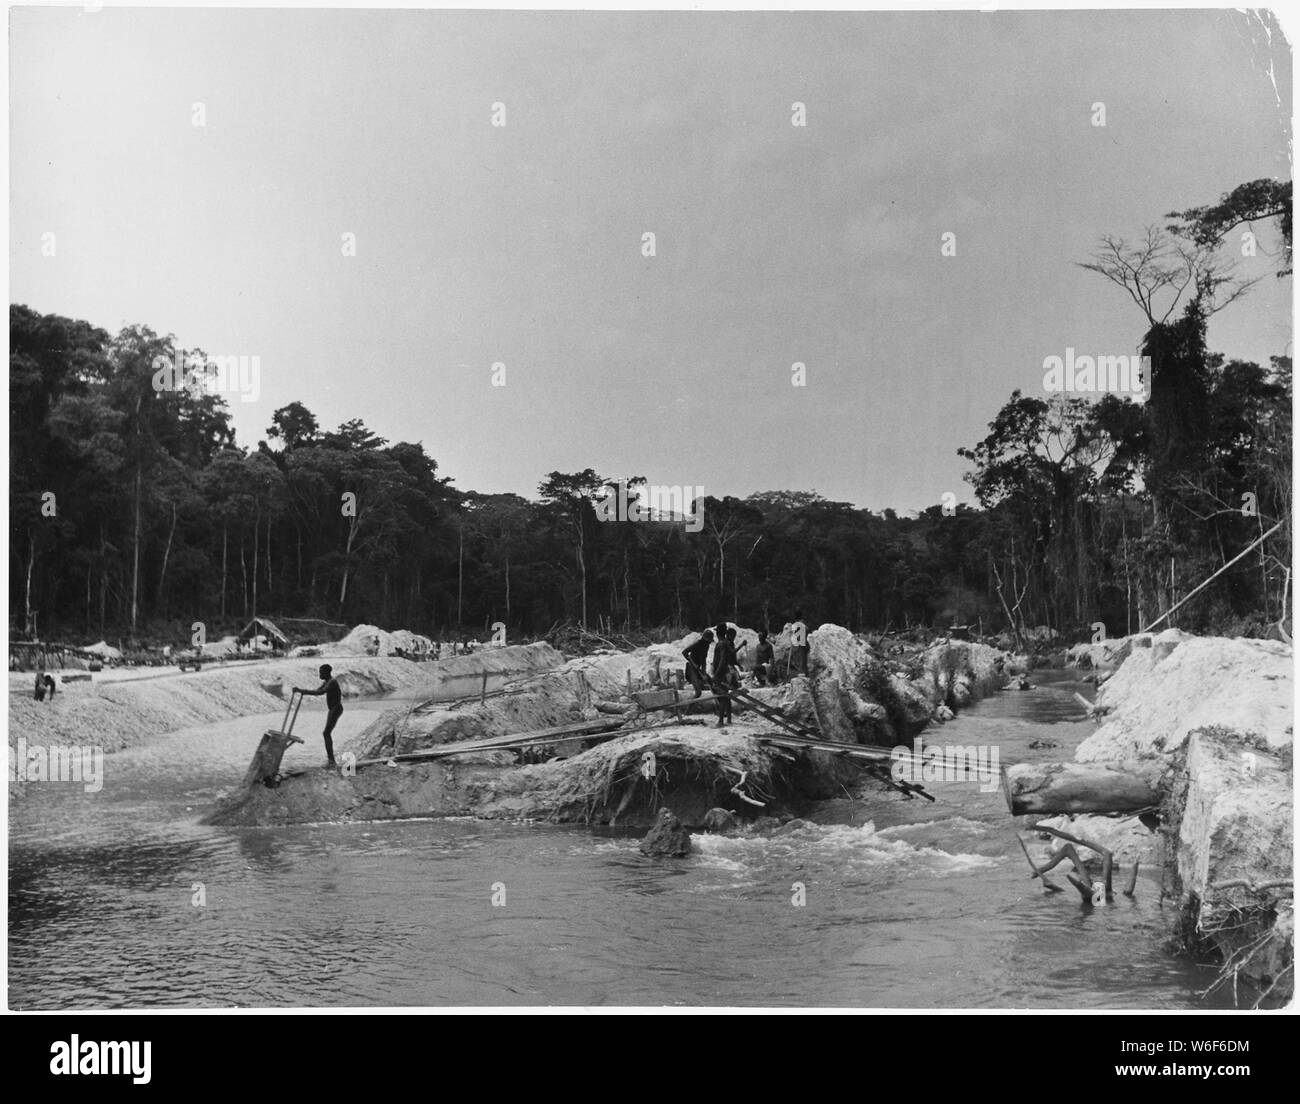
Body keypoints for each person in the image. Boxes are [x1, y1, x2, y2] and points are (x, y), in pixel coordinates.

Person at [294, 664, 343, 767]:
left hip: (336, 708)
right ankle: (331, 760)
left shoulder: (332, 682)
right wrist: (303, 692)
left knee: (326, 733)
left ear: (327, 672)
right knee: (326, 733)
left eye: (321, 672)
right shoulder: (326, 682)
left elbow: (320, 693)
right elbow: (317, 690)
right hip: (333, 709)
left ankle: (331, 761)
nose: (319, 674)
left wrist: (301, 691)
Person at [682, 629, 714, 698]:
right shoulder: (697, 644)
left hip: (698, 669)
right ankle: (689, 708)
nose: (709, 643)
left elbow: (703, 661)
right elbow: (684, 652)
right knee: (698, 692)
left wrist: (704, 673)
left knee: (712, 684)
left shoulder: (706, 646)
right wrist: (693, 664)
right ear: (704, 639)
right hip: (691, 669)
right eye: (708, 641)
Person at [789, 610, 810, 677]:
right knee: (802, 661)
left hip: (802, 644)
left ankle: (803, 675)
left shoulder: (800, 623)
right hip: (801, 644)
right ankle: (804, 674)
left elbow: (805, 629)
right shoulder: (800, 623)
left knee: (802, 661)